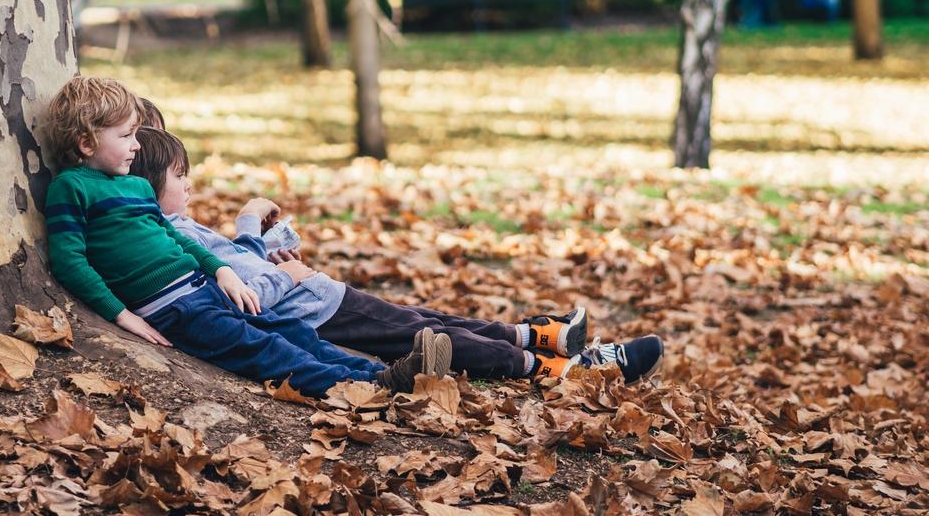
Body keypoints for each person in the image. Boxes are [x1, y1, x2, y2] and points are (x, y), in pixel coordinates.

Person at [129, 125, 666, 386]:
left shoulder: (172, 226)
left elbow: (244, 270)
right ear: (150, 186)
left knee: (430, 319)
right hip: (315, 310)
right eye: (181, 177)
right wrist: (271, 254)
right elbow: (248, 290)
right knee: (432, 338)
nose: (191, 185)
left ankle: (540, 334)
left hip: (321, 296)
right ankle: (562, 370)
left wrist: (271, 250)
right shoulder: (169, 235)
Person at [42, 76, 452, 397]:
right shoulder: (72, 188)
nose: (136, 145)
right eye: (126, 135)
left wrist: (222, 271)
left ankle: (386, 374)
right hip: (175, 310)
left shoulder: (135, 187)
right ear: (86, 141)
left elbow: (176, 239)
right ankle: (366, 390)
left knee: (292, 333)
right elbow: (70, 262)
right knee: (266, 351)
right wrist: (121, 315)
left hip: (205, 288)